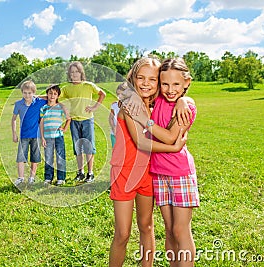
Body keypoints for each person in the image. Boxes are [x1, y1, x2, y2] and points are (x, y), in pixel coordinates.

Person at [109, 57, 188, 267]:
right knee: (123, 233)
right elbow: (141, 142)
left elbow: (181, 93)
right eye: (141, 78)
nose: (146, 83)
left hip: (148, 173)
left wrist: (182, 100)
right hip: (124, 172)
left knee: (147, 226)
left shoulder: (158, 103)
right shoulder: (129, 104)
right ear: (133, 78)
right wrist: (173, 147)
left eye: (152, 79)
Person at [128, 58, 199, 266]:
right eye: (165, 84)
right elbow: (136, 89)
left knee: (180, 229)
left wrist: (146, 120)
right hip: (159, 173)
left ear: (186, 83)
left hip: (180, 173)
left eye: (176, 84)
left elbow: (169, 137)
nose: (170, 89)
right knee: (169, 230)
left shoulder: (186, 107)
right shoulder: (159, 99)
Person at [60, 61, 106, 183]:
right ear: (69, 74)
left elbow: (102, 94)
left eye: (76, 71)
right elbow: (53, 96)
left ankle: (90, 173)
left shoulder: (88, 85)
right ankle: (80, 172)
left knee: (89, 147)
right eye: (72, 72)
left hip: (87, 120)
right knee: (78, 148)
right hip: (74, 121)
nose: (74, 74)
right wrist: (35, 97)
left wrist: (95, 107)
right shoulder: (66, 88)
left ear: (81, 73)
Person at [11, 80, 47, 186]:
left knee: (34, 157)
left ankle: (32, 177)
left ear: (33, 93)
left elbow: (50, 97)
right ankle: (21, 178)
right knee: (21, 157)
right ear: (22, 92)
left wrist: (38, 95)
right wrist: (14, 133)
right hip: (23, 136)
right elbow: (13, 119)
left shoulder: (39, 102)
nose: (27, 95)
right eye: (25, 93)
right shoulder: (18, 104)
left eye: (30, 93)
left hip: (36, 135)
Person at [39, 84, 71, 186]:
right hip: (47, 137)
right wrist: (42, 137)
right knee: (48, 158)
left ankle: (61, 178)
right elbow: (41, 123)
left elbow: (69, 118)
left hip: (58, 137)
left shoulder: (61, 107)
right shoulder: (44, 108)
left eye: (55, 94)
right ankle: (48, 177)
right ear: (47, 94)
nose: (52, 95)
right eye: (50, 93)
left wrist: (65, 128)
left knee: (60, 157)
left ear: (57, 96)